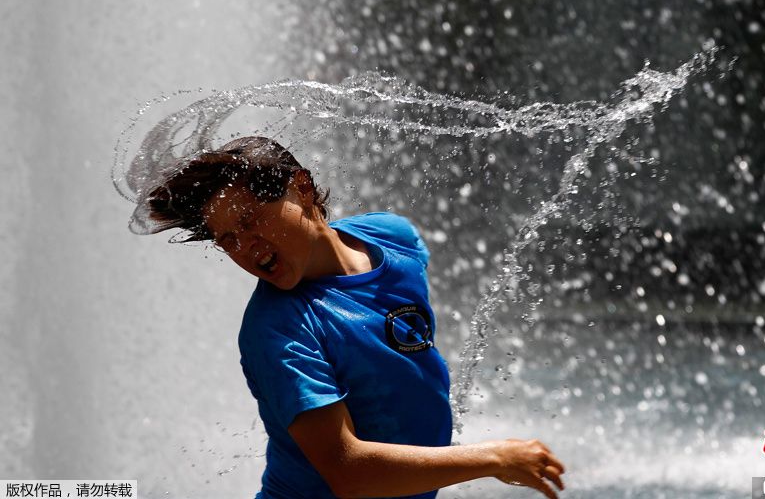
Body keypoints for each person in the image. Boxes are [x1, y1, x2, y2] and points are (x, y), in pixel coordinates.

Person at [142, 136, 566, 498]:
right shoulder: (279, 330)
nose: (246, 248)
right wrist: (494, 458)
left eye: (251, 220)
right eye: (228, 239)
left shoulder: (391, 237)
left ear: (302, 187)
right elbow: (349, 470)